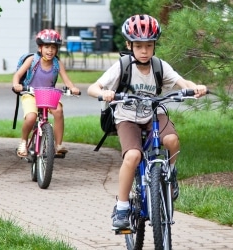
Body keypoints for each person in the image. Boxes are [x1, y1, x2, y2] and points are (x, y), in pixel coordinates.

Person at [87, 14, 208, 230]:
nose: (144, 51)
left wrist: (195, 86)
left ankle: (170, 174)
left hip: (153, 114)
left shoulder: (160, 66)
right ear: (129, 45)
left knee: (171, 140)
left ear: (154, 46)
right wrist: (104, 93)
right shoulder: (123, 66)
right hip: (127, 118)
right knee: (133, 155)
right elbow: (92, 88)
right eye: (139, 46)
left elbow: (182, 82)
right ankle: (122, 207)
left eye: (149, 46)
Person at [12, 29, 81, 157]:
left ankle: (58, 145)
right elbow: (18, 74)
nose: (50, 51)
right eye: (47, 47)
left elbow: (67, 81)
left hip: (48, 95)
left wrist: (73, 88)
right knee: (31, 117)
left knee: (59, 111)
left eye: (53, 47)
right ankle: (23, 141)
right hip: (31, 94)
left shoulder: (57, 63)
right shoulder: (32, 60)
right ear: (40, 47)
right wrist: (17, 84)